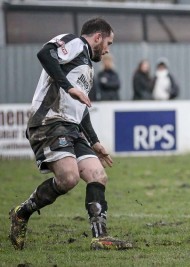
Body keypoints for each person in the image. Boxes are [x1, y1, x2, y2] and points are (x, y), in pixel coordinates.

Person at [9, 17, 133, 250]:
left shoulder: (87, 66)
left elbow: (80, 109)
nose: (107, 50)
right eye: (109, 43)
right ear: (98, 37)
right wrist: (69, 87)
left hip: (72, 128)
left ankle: (100, 237)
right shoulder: (75, 43)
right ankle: (21, 213)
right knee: (69, 178)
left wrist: (94, 142)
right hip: (49, 122)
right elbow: (45, 54)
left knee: (98, 175)